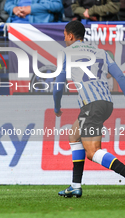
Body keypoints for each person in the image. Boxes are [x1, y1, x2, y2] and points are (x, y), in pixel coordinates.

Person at [53, 21, 125, 198]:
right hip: (105, 103)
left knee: (93, 152)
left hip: (91, 105)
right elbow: (120, 76)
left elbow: (58, 85)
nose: (64, 39)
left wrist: (56, 105)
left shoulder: (66, 52)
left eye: (65, 36)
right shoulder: (101, 52)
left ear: (70, 36)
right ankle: (75, 186)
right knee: (74, 135)